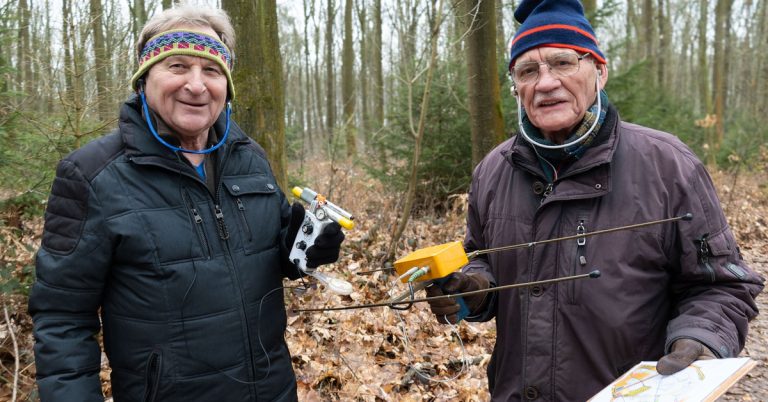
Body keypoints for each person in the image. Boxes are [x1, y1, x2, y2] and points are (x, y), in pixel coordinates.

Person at [426, 0, 764, 400]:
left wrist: (700, 338)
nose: (545, 83)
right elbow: (480, 257)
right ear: (516, 86)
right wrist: (475, 288)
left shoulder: (668, 165)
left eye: (563, 63)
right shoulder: (493, 171)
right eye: (528, 71)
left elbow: (723, 285)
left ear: (600, 71)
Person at [28, 6, 343, 402]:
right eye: (177, 66)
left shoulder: (250, 158)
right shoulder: (92, 175)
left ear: (226, 85)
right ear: (144, 78)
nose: (196, 85)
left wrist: (302, 249)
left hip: (273, 390)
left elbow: (264, 255)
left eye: (211, 70)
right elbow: (62, 319)